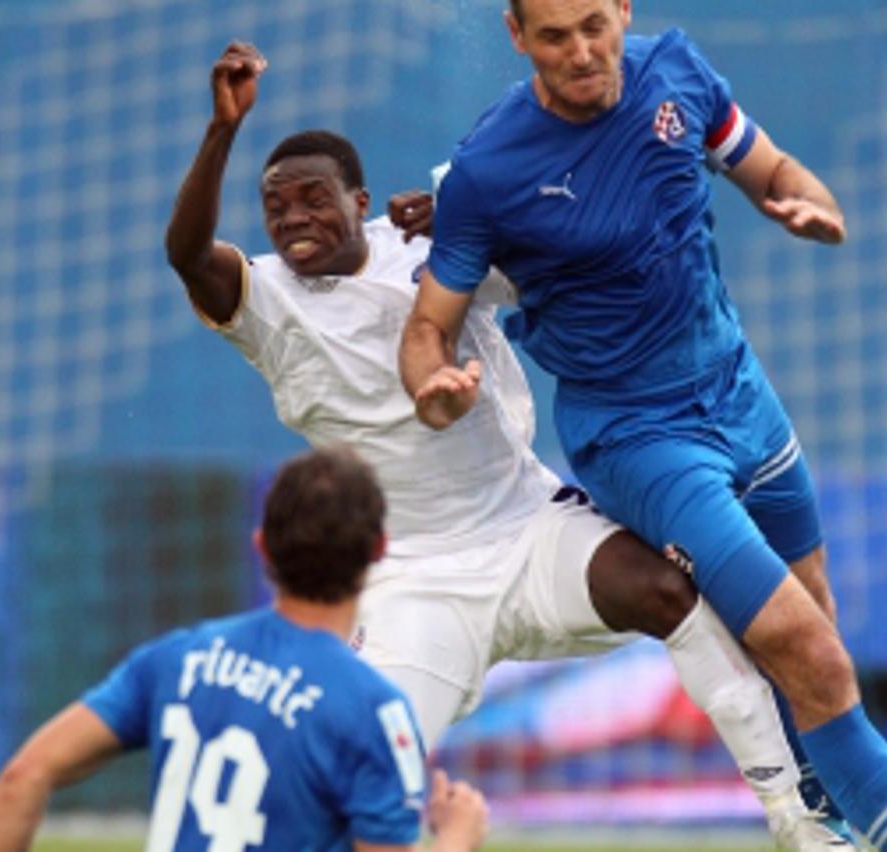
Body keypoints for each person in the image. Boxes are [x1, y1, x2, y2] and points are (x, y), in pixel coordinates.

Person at [163, 42, 845, 850]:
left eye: (314, 199)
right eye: (277, 206)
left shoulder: (438, 242)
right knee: (364, 767)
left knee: (671, 594)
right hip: (411, 579)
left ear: (362, 200)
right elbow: (186, 253)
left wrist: (478, 219)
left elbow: (569, 257)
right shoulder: (264, 299)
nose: (294, 218)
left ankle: (798, 820)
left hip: (525, 528)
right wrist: (220, 131)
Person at [399, 2, 887, 850]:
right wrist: (432, 382)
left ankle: (823, 828)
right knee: (815, 654)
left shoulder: (679, 72)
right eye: (554, 36)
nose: (582, 51)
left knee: (816, 635)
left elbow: (775, 173)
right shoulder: (488, 170)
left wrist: (804, 203)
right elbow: (427, 328)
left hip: (741, 394)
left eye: (595, 23)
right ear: (517, 38)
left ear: (623, 7)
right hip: (638, 439)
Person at [0, 446, 489, 852]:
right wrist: (457, 839)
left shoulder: (174, 660)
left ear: (262, 545)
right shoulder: (375, 710)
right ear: (379, 549)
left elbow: (23, 776)